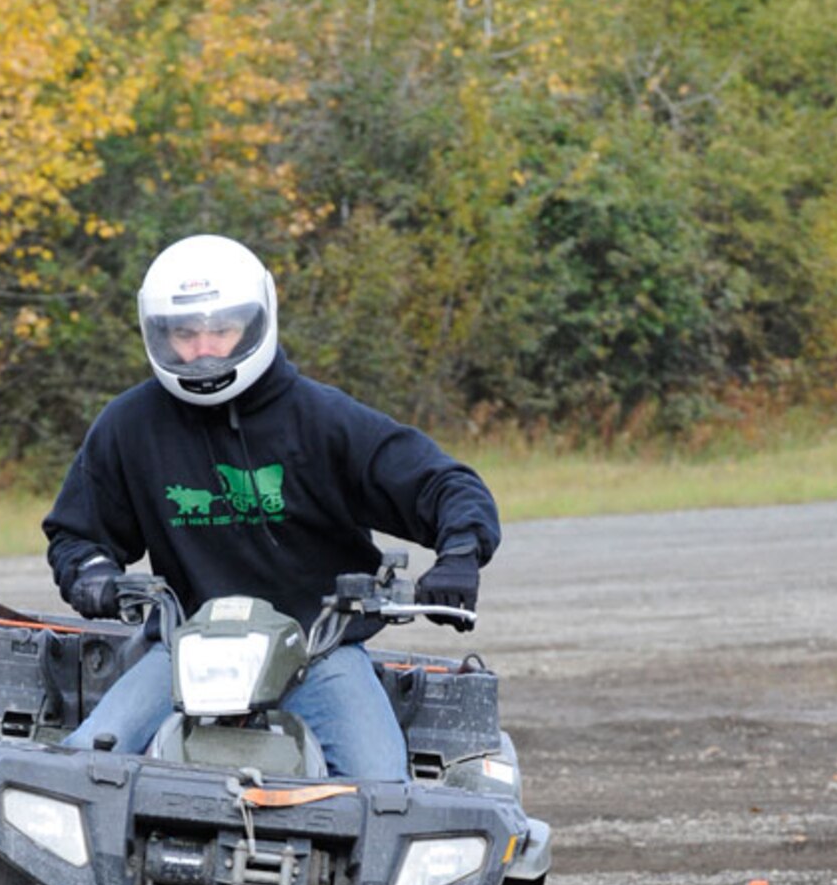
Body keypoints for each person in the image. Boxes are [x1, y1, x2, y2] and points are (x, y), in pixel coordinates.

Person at [42, 233, 500, 780]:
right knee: (81, 767)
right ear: (157, 334)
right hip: (184, 649)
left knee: (383, 787)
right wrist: (93, 576)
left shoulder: (323, 420)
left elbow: (445, 485)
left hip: (318, 652)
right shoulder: (130, 426)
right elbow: (76, 534)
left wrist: (460, 552)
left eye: (221, 329)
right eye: (185, 333)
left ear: (258, 321)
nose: (203, 349)